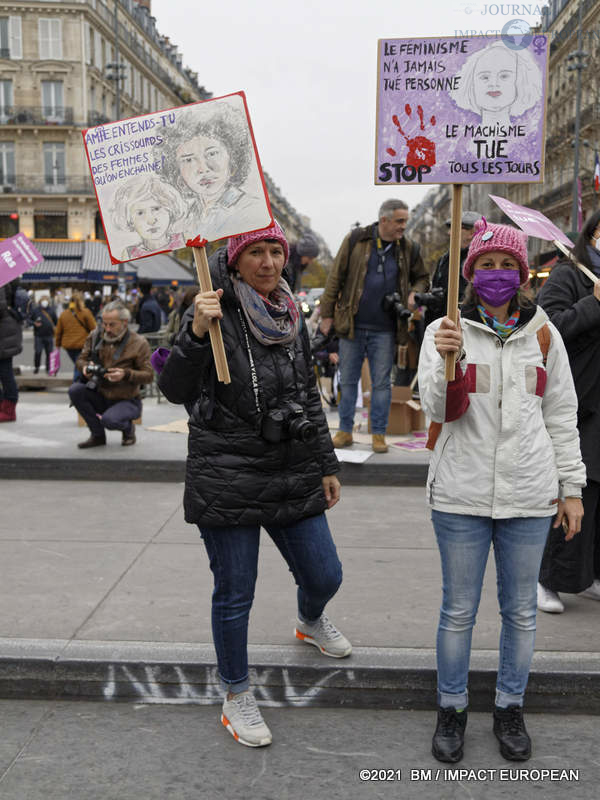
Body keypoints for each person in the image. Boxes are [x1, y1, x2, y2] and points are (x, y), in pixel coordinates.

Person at [157, 221, 349, 748]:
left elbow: (309, 390)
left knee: (326, 574)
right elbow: (173, 389)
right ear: (234, 259)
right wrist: (196, 332)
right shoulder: (209, 307)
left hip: (290, 465)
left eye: (274, 252)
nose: (268, 263)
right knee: (236, 593)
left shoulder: (290, 311)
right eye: (256, 253)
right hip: (226, 470)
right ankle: (236, 692)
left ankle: (310, 619)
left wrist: (326, 463)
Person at [418, 219, 585, 764]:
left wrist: (571, 487)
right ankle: (452, 709)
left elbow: (561, 414)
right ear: (469, 273)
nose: (495, 274)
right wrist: (448, 364)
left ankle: (510, 707)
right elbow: (439, 412)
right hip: (460, 494)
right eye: (485, 265)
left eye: (506, 265)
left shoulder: (544, 333)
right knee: (458, 611)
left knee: (520, 612)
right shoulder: (446, 330)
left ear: (521, 273)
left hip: (529, 494)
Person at [319, 199, 429, 453]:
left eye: (405, 221)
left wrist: (414, 293)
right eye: (400, 221)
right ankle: (345, 431)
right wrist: (327, 314)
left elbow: (423, 277)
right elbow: (336, 276)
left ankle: (378, 433)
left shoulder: (408, 248)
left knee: (381, 384)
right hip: (353, 325)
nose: (404, 226)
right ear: (384, 220)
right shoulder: (356, 240)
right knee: (348, 381)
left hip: (387, 329)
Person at [535, 211, 600, 613]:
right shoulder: (568, 274)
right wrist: (594, 304)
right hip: (583, 395)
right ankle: (547, 579)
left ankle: (588, 573)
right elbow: (550, 327)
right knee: (578, 489)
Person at [158, 105, 265, 242]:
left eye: (212, 154)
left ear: (233, 156)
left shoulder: (249, 210)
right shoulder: (182, 219)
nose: (203, 168)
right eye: (189, 159)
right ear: (176, 170)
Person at [68, 300, 152, 448]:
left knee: (110, 420)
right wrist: (86, 368)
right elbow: (80, 359)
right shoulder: (95, 336)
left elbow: (149, 375)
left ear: (124, 322)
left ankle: (128, 429)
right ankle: (98, 435)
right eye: (104, 324)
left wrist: (125, 374)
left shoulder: (139, 342)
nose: (106, 329)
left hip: (127, 399)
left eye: (112, 324)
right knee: (75, 391)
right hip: (100, 393)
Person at [424, 211, 480, 327]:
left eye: (454, 228)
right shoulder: (444, 259)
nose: (449, 233)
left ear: (471, 233)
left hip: (468, 325)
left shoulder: (481, 261)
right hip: (441, 324)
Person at [112, 176, 187, 260]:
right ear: (130, 221)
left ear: (170, 210)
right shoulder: (129, 254)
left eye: (156, 209)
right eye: (140, 213)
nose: (151, 221)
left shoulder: (184, 239)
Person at [54, 290, 97, 380]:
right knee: (79, 366)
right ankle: (76, 385)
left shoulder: (64, 314)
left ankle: (79, 384)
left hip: (68, 345)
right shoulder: (85, 312)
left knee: (78, 364)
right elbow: (93, 328)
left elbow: (58, 331)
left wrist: (57, 345)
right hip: (82, 344)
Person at [0, 280, 23, 422]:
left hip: (4, 334)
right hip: (5, 332)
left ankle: (9, 410)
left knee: (5, 373)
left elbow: (0, 307)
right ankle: (3, 405)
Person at [31, 295, 57, 374]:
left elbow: (56, 321)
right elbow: (29, 319)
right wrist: (34, 323)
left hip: (49, 335)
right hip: (38, 335)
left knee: (49, 353)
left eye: (46, 300)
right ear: (40, 302)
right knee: (38, 352)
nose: (45, 302)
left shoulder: (52, 310)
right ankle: (36, 367)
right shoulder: (36, 310)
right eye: (43, 300)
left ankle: (48, 368)